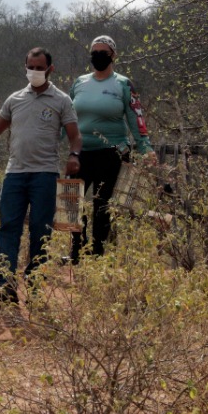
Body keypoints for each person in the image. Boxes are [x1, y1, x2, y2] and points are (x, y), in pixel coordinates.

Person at [0, 48, 81, 302]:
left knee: (40, 230)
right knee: (8, 228)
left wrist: (74, 155)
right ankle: (6, 285)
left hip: (45, 175)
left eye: (39, 68)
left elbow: (74, 135)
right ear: (24, 67)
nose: (34, 72)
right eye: (31, 67)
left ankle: (35, 286)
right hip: (15, 174)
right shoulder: (14, 99)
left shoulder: (61, 100)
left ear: (50, 69)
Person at [69, 35, 155, 258]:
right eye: (94, 52)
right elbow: (67, 114)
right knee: (72, 200)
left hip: (112, 152)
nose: (98, 56)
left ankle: (98, 251)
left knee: (102, 203)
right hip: (80, 153)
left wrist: (145, 146)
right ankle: (76, 249)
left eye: (103, 52)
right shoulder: (79, 83)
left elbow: (136, 118)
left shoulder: (123, 84)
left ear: (113, 55)